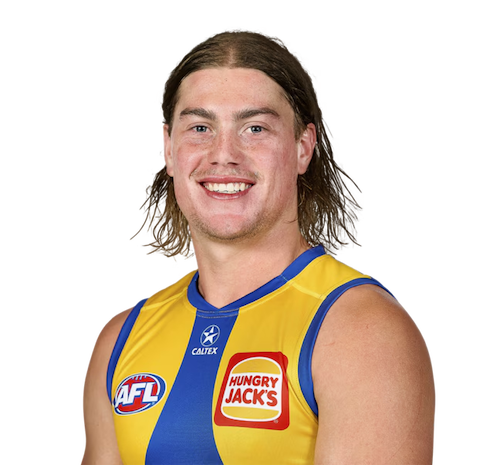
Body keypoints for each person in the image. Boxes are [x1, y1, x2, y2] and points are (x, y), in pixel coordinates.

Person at [80, 27, 437, 464]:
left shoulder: (361, 331)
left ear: (303, 147)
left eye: (254, 128)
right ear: (168, 149)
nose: (224, 154)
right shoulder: (119, 340)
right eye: (200, 127)